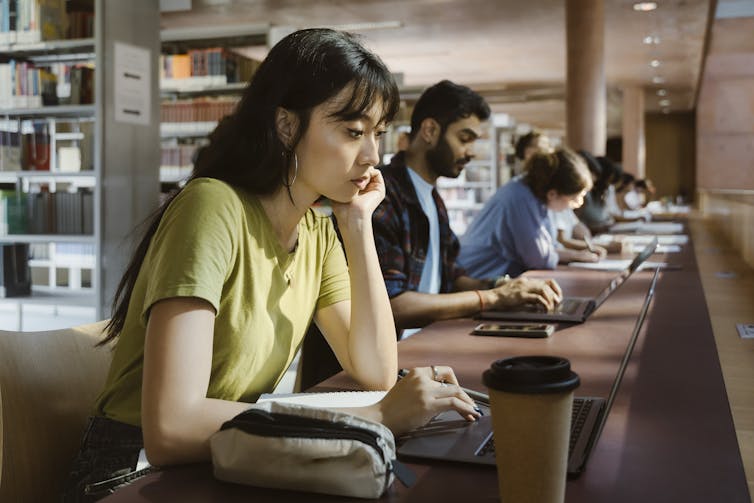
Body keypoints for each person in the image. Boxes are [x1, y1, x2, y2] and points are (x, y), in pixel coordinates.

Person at [63, 29, 480, 502]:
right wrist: (378, 416)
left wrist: (357, 225)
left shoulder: (319, 231)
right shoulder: (212, 207)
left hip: (225, 457)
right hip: (128, 473)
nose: (372, 157)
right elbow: (171, 427)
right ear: (285, 125)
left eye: (378, 134)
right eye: (353, 131)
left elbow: (376, 370)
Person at [373, 80, 562, 337]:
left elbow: (453, 278)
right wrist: (491, 298)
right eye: (464, 138)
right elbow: (391, 305)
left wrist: (507, 287)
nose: (471, 152)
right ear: (429, 130)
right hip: (383, 361)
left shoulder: (433, 199)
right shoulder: (382, 195)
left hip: (423, 344)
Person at [457, 148, 598, 279]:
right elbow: (539, 259)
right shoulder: (520, 198)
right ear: (553, 194)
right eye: (575, 199)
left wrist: (575, 255)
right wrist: (574, 255)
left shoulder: (534, 198)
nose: (578, 204)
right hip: (476, 277)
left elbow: (548, 249)